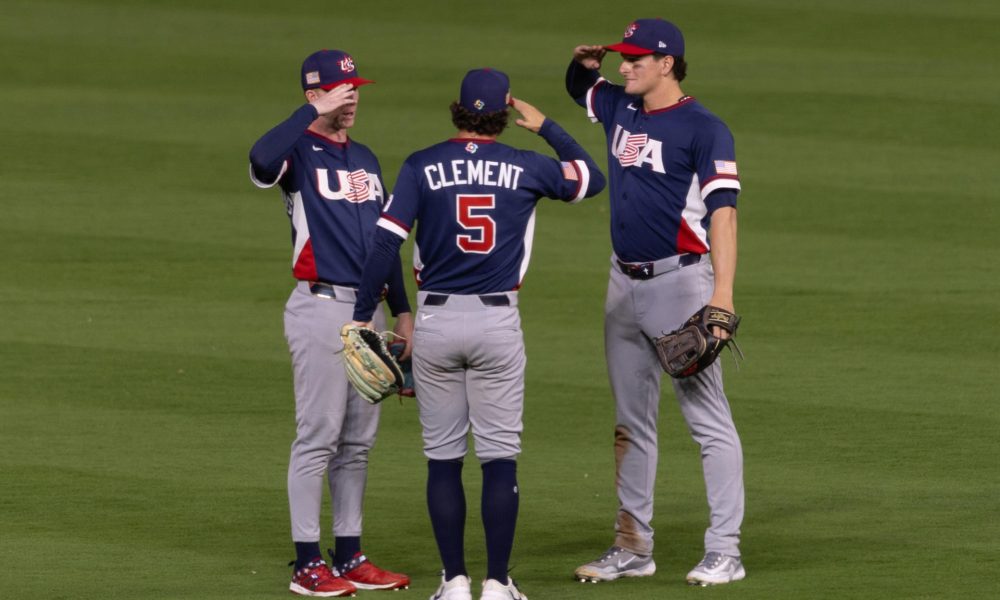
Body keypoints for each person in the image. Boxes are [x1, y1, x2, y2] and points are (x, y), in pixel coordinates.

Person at [350, 68, 605, 600]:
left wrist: (359, 314)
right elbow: (590, 178)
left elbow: (382, 246)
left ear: (457, 109)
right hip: (497, 323)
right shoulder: (527, 165)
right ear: (502, 114)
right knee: (498, 458)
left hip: (437, 323)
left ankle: (454, 581)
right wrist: (548, 128)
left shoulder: (422, 165)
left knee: (442, 459)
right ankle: (497, 583)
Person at [565, 19, 747, 586]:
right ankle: (633, 546)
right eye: (623, 59)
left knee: (707, 421)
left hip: (682, 287)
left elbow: (723, 214)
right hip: (623, 286)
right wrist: (586, 63)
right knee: (630, 422)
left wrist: (721, 294)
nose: (624, 67)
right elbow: (581, 88)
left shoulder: (704, 128)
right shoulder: (622, 107)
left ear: (667, 64)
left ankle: (725, 550)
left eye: (635, 60)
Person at [248, 49, 413, 597]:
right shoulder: (296, 152)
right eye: (341, 90)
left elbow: (385, 241)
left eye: (355, 88)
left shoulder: (365, 156)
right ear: (315, 93)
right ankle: (305, 564)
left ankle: (349, 556)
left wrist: (405, 310)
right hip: (320, 306)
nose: (352, 98)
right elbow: (258, 160)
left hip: (372, 309)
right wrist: (310, 113)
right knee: (318, 435)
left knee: (357, 442)